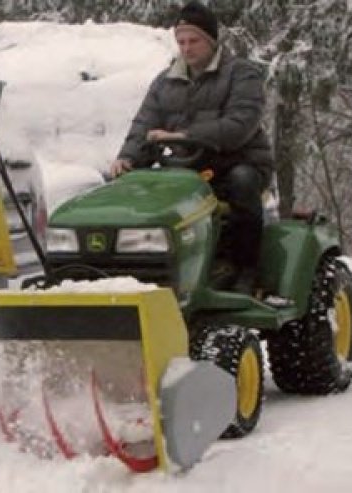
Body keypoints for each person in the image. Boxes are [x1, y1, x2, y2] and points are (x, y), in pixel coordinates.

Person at [109, 1, 273, 291]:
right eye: (181, 41)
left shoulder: (242, 75)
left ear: (211, 41)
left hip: (236, 162)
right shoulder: (165, 81)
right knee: (130, 186)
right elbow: (144, 123)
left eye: (194, 40)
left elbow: (238, 127)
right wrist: (127, 158)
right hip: (182, 167)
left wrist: (184, 136)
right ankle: (133, 270)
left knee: (242, 182)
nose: (186, 48)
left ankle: (244, 268)